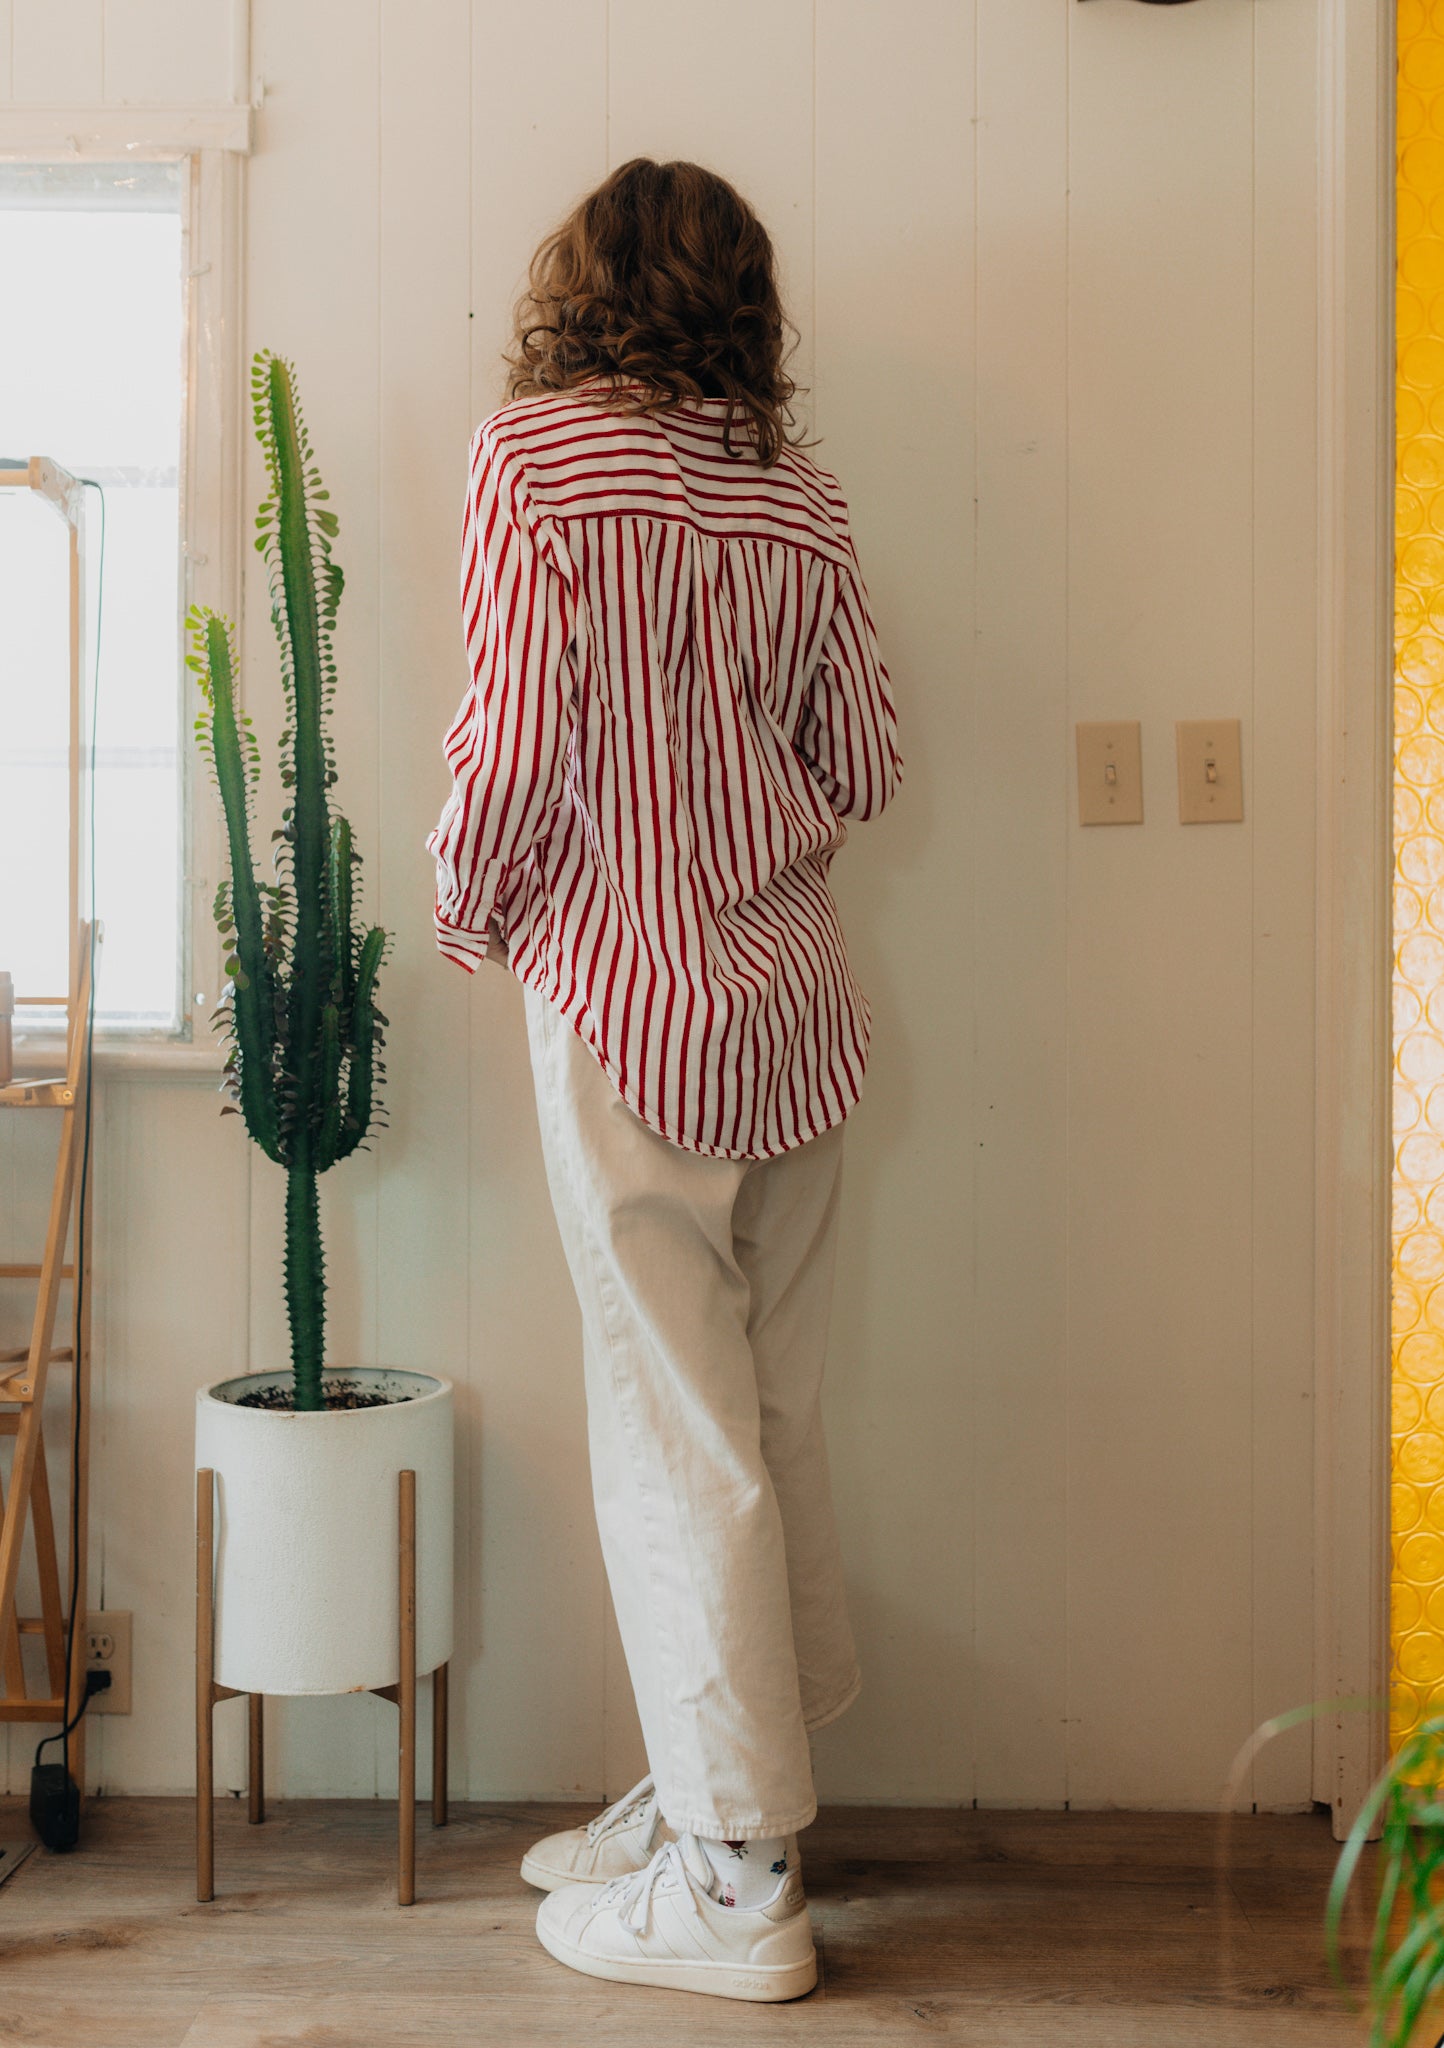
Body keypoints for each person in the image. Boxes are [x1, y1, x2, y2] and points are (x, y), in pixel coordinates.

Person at [426, 155, 902, 2003]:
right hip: (794, 1013)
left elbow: (515, 735)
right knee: (764, 1420)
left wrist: (471, 914)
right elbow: (862, 758)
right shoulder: (804, 492)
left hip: (626, 1005)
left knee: (667, 1436)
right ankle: (736, 1793)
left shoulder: (534, 459)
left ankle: (732, 1880)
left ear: (579, 287)